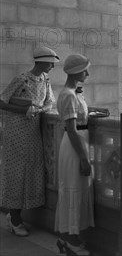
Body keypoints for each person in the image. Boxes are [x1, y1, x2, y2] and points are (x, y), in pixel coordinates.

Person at [0, 46, 58, 236]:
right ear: (40, 61)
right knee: (16, 173)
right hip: (16, 132)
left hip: (33, 134)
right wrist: (23, 110)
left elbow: (50, 101)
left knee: (31, 171)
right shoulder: (22, 79)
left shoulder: (45, 80)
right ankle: (15, 218)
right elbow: (1, 101)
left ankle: (15, 214)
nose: (52, 67)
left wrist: (40, 109)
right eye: (50, 63)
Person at [55, 54, 94, 256]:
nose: (87, 73)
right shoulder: (69, 95)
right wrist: (84, 158)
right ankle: (70, 239)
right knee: (73, 189)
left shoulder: (73, 93)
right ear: (75, 71)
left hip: (76, 142)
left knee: (74, 188)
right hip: (74, 145)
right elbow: (71, 129)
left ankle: (67, 236)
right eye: (84, 69)